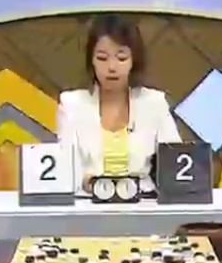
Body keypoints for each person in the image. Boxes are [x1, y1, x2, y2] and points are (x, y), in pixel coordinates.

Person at [57, 14, 182, 195]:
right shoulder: (71, 105)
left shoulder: (154, 103)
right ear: (91, 61)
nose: (112, 67)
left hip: (142, 202)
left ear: (133, 61)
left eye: (121, 58)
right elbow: (66, 170)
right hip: (88, 202)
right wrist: (89, 184)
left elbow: (176, 164)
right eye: (102, 58)